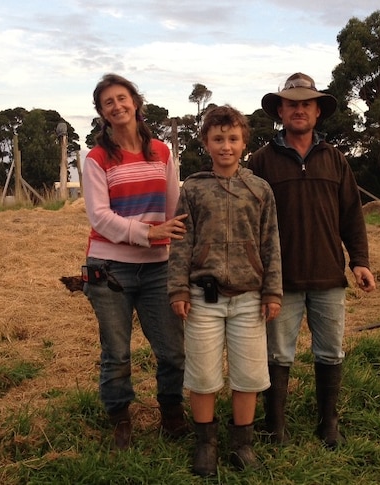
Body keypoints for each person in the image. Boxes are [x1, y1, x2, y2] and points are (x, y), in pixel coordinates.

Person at [247, 72, 377, 450]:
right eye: (292, 104)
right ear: (281, 112)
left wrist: (360, 261)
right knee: (277, 355)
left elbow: (352, 215)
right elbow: (248, 221)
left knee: (331, 351)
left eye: (306, 103)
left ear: (318, 111)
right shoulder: (260, 161)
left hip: (328, 278)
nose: (299, 110)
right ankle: (275, 428)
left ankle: (328, 424)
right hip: (278, 282)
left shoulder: (335, 160)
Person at [168, 105, 282, 477]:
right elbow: (182, 244)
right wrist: (179, 290)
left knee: (248, 374)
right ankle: (206, 444)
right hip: (204, 298)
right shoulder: (194, 189)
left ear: (244, 142)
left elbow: (270, 244)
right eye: (218, 139)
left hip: (249, 299)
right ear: (206, 142)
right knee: (202, 373)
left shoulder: (260, 189)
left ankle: (241, 444)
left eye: (233, 139)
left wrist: (272, 292)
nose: (226, 146)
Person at [82, 73, 190, 450]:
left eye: (122, 98)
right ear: (102, 113)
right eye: (108, 102)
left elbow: (176, 208)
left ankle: (172, 415)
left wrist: (177, 248)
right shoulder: (96, 158)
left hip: (160, 267)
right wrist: (148, 234)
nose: (117, 105)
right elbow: (99, 217)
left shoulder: (161, 151)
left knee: (173, 350)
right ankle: (120, 421)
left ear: (135, 102)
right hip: (110, 268)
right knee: (117, 353)